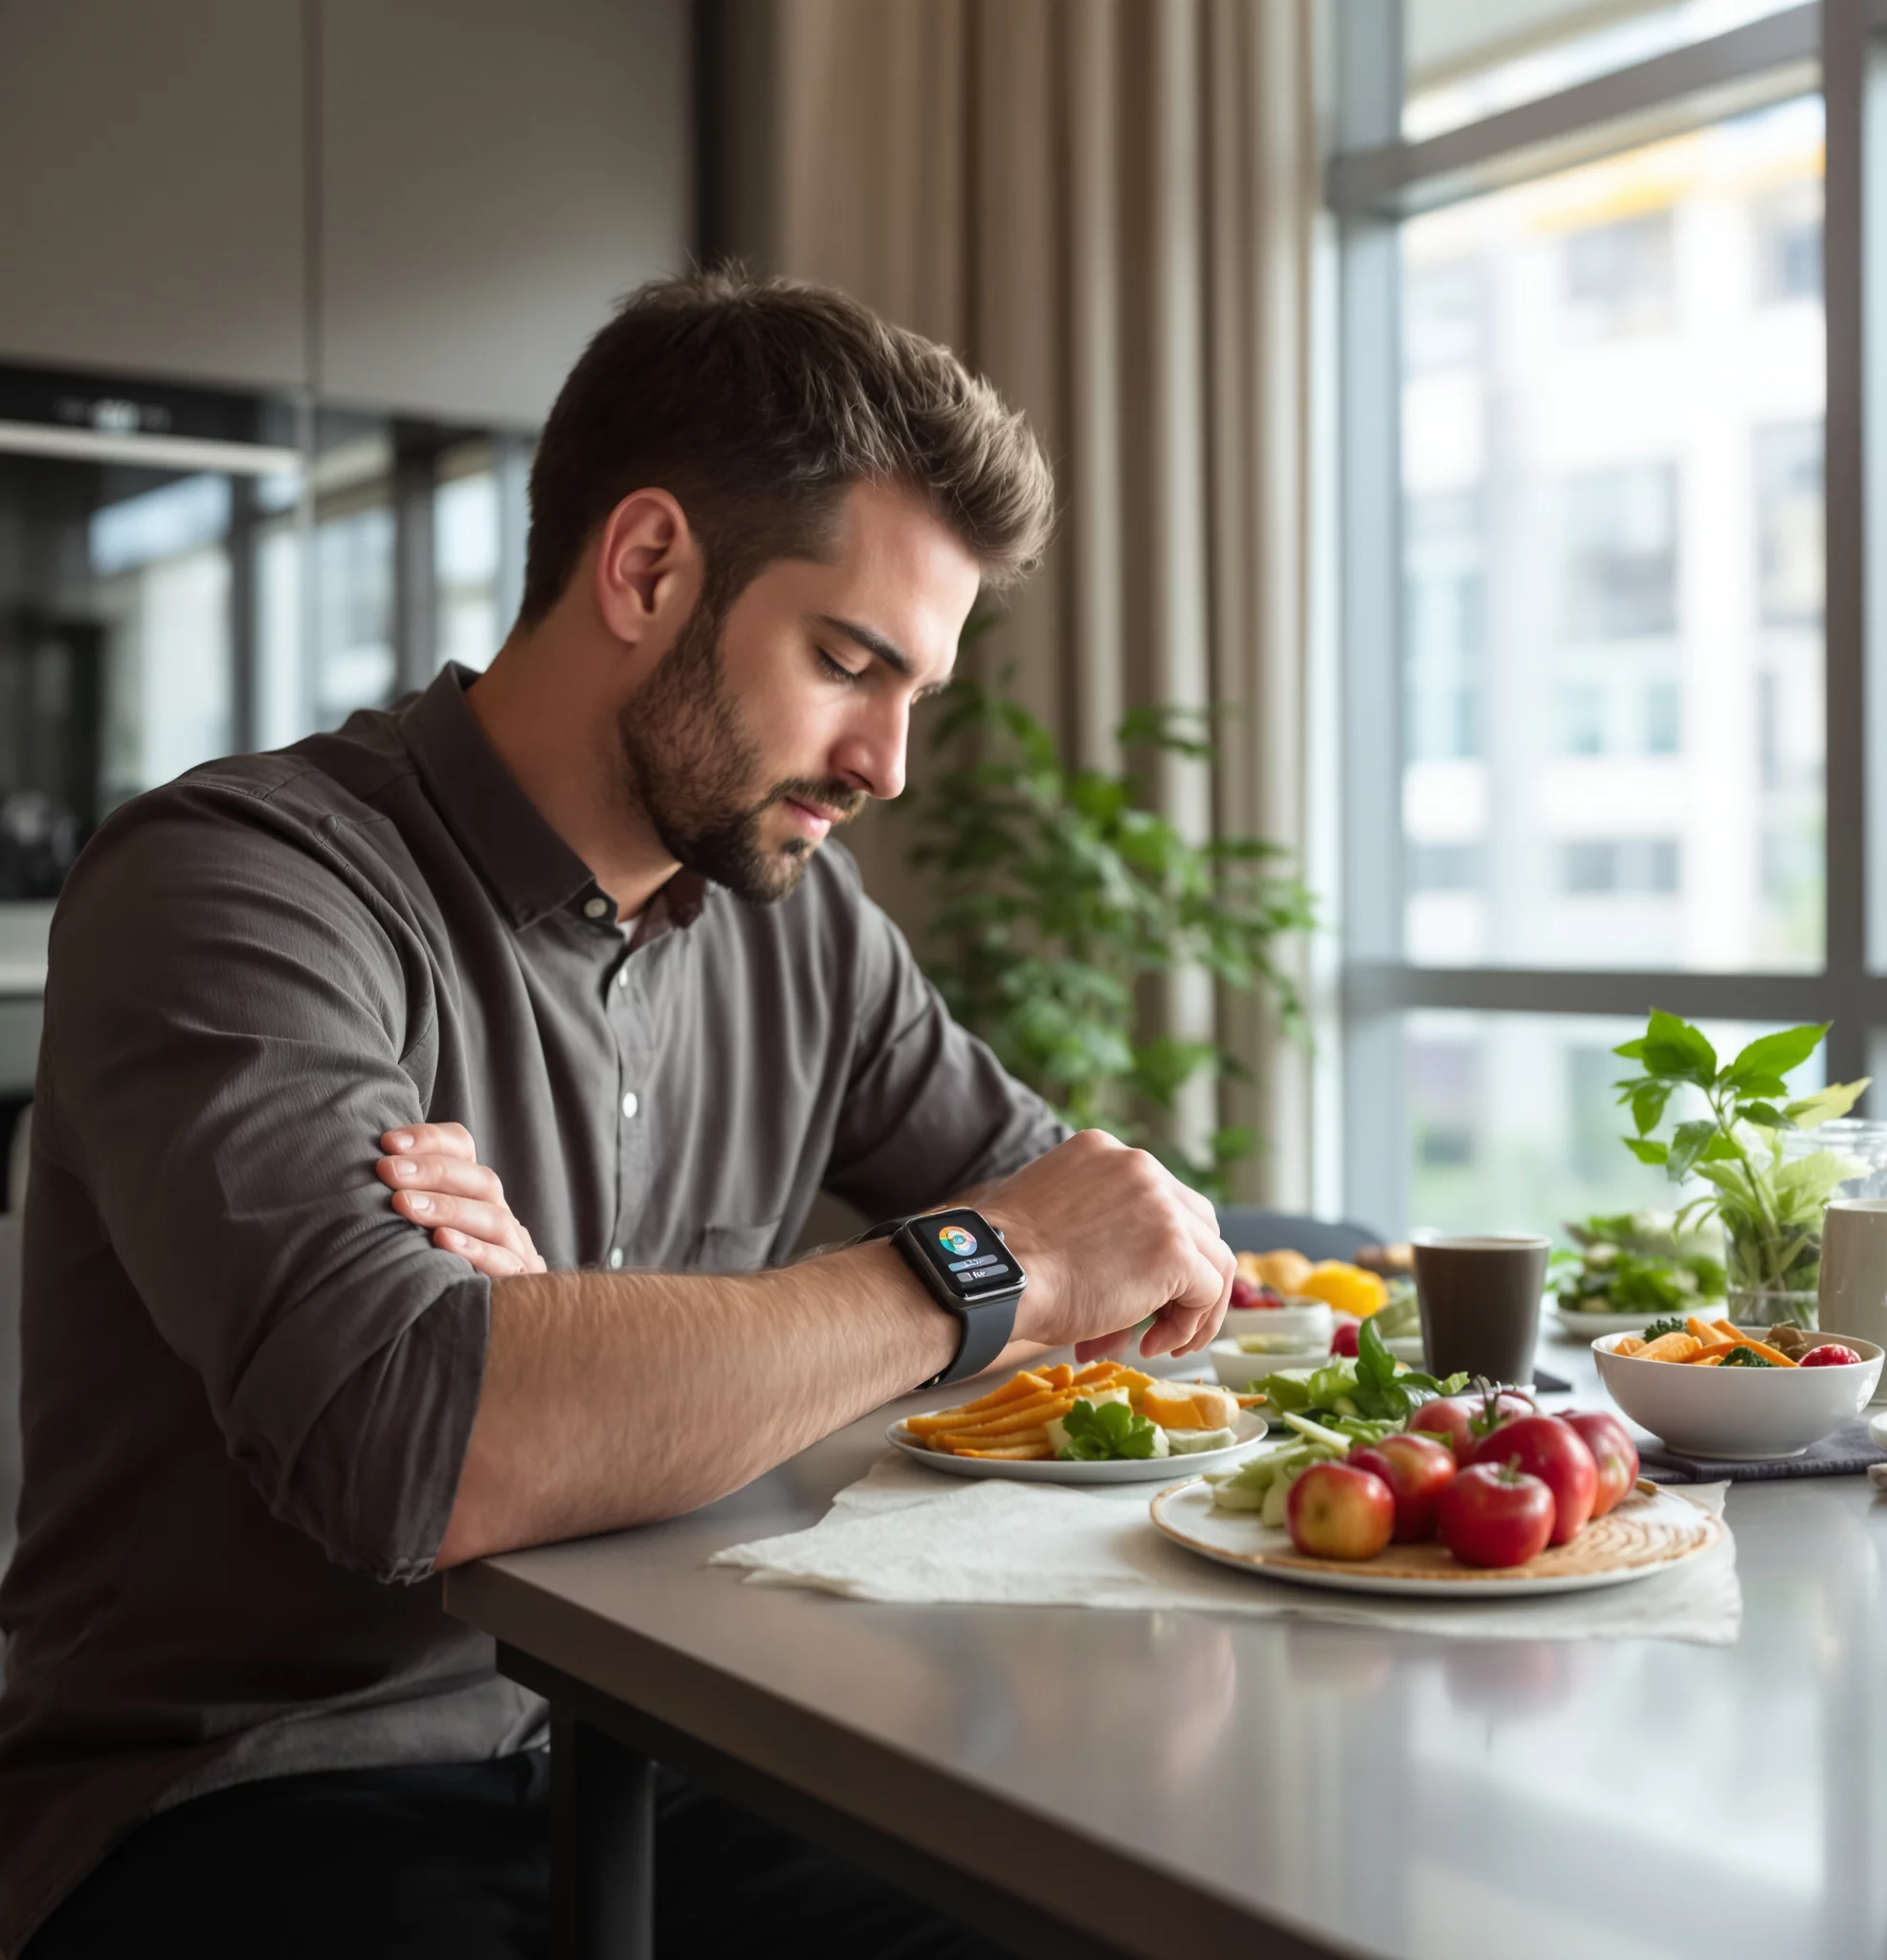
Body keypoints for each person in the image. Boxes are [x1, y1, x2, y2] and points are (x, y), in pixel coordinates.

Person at [0, 271, 1232, 1959]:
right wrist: (969, 1268)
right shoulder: (237, 888)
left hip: (679, 1742)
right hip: (258, 1796)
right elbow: (422, 1447)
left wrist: (577, 1341)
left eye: (915, 694)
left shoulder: (803, 926)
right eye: (847, 663)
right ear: (647, 569)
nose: (886, 762)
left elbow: (1119, 1263)